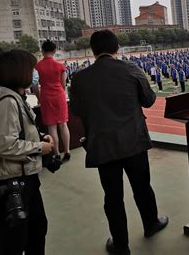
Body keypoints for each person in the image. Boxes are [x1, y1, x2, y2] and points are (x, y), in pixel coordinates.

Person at [70, 31, 168, 255]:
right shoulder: (130, 69)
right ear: (117, 48)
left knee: (112, 197)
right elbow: (150, 100)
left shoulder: (80, 78)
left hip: (103, 144)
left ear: (93, 51)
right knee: (142, 187)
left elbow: (76, 110)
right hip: (133, 140)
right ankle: (151, 224)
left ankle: (121, 244)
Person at [0, 50, 54, 255]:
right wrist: (39, 147)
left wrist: (38, 139)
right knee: (15, 240)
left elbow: (18, 133)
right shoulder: (8, 102)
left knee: (37, 229)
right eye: (31, 69)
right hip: (15, 180)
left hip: (26, 176)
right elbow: (3, 144)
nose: (34, 73)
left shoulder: (16, 97)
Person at [34, 40, 71, 162]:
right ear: (54, 51)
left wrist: (39, 99)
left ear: (42, 51)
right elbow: (63, 84)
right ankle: (67, 151)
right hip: (59, 95)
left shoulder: (38, 66)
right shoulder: (61, 66)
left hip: (46, 96)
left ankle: (56, 153)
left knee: (52, 127)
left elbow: (34, 87)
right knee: (63, 124)